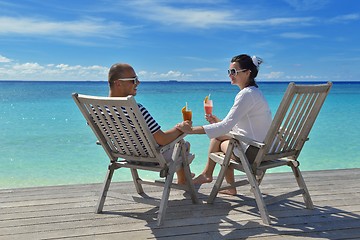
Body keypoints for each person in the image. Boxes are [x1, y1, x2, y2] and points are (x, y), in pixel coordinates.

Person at [176, 54, 272, 195]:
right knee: (218, 136)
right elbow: (241, 127)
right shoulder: (255, 93)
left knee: (218, 141)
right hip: (266, 148)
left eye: (233, 72)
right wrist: (218, 122)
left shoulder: (246, 94)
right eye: (229, 72)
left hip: (254, 152)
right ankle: (217, 179)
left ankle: (210, 175)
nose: (230, 75)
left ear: (247, 72)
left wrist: (191, 130)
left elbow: (226, 127)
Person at [108, 63, 193, 184]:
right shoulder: (135, 109)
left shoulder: (97, 111)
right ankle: (183, 179)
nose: (138, 83)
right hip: (151, 158)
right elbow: (162, 140)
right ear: (118, 83)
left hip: (126, 157)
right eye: (134, 80)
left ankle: (185, 176)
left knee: (178, 145)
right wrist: (181, 129)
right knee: (183, 144)